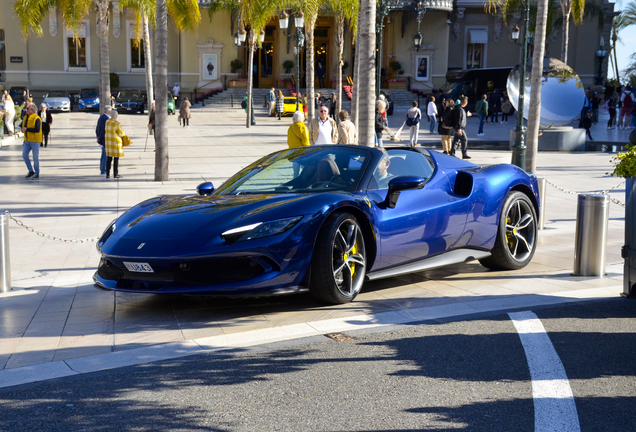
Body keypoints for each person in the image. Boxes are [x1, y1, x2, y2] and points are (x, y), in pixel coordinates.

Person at [21, 103, 42, 179]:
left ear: (32, 110)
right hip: (27, 140)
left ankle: (37, 172)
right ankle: (30, 171)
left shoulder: (36, 118)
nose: (26, 110)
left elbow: (37, 129)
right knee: (24, 155)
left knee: (35, 157)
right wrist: (22, 129)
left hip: (35, 140)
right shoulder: (25, 117)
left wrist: (27, 129)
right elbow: (23, 125)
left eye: (28, 109)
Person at [104, 110, 126, 179]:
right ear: (116, 116)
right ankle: (115, 173)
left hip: (108, 142)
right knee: (116, 158)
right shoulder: (117, 123)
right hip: (115, 142)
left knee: (109, 158)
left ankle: (107, 174)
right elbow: (120, 133)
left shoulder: (107, 122)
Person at [96, 105, 111, 175]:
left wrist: (98, 136)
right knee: (105, 156)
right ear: (109, 112)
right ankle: (104, 171)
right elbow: (104, 130)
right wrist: (100, 137)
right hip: (105, 140)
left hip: (102, 140)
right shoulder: (107, 119)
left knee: (103, 156)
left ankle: (103, 170)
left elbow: (97, 129)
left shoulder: (101, 117)